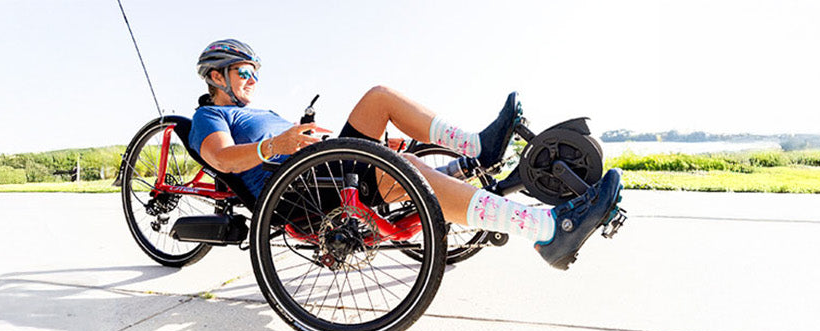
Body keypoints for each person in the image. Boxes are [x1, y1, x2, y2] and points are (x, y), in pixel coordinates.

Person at [189, 39, 621, 270]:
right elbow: (223, 159)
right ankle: (545, 228)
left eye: (254, 74)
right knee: (402, 154)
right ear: (216, 76)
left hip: (324, 170)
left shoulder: (260, 111)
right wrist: (276, 145)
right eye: (243, 72)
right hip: (300, 193)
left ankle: (478, 151)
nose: (251, 80)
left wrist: (374, 147)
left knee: (384, 109)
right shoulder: (211, 116)